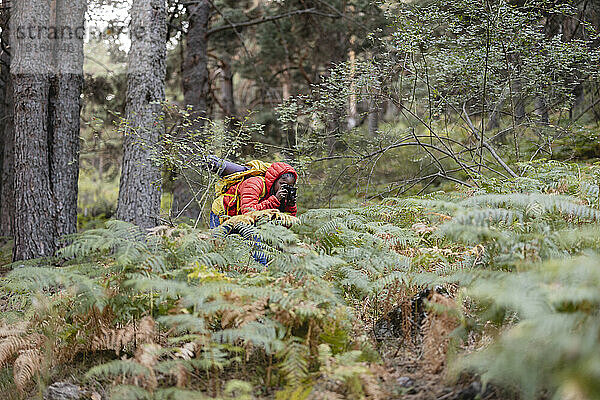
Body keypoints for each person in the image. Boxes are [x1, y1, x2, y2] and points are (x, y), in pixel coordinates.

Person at [210, 161, 298, 229]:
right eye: (283, 184)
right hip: (223, 212)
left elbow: (286, 224)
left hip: (240, 218)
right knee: (218, 244)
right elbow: (248, 212)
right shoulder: (254, 184)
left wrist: (290, 206)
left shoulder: (280, 194)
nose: (285, 188)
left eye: (290, 186)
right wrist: (274, 200)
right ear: (274, 180)